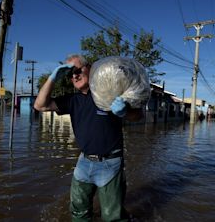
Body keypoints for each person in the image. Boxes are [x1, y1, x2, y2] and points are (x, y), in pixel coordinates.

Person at [34, 54, 143, 221]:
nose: (74, 76)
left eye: (77, 71)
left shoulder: (108, 92)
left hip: (110, 163)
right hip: (84, 162)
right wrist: (52, 78)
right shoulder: (72, 100)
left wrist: (125, 111)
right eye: (70, 74)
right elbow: (39, 105)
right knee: (78, 211)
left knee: (112, 217)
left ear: (90, 69)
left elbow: (138, 115)